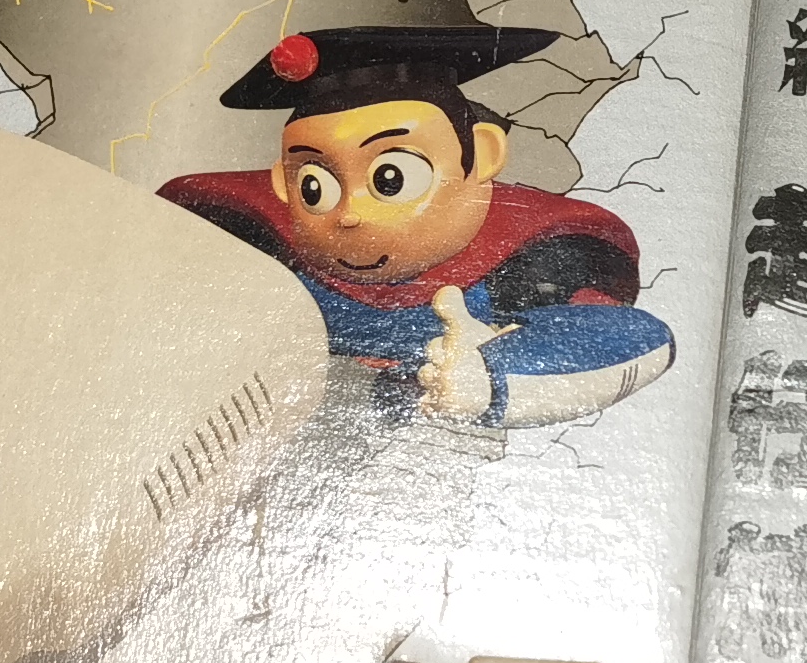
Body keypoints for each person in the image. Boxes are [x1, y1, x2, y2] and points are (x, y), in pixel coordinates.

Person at [159, 25, 675, 427]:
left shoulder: (538, 258)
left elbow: (637, 338)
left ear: (482, 156)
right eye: (315, 186)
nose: (351, 214)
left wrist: (490, 373)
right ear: (283, 184)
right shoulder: (246, 230)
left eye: (390, 178)